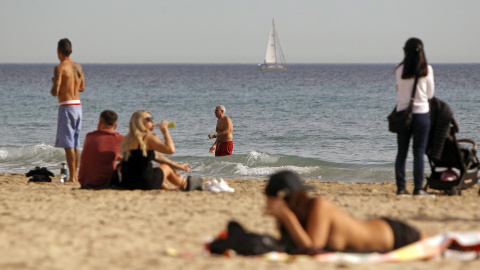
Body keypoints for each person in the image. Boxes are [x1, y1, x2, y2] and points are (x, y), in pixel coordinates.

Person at [265, 170, 425, 254]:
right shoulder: (297, 217)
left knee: (443, 242)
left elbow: (312, 248)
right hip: (380, 231)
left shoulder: (319, 205)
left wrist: (286, 216)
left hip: (391, 234)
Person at [118, 110, 202, 190]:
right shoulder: (148, 137)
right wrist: (165, 132)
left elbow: (156, 156)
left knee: (158, 169)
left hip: (127, 183)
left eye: (152, 118)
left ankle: (170, 189)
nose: (153, 121)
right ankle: (187, 184)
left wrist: (177, 165)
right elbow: (170, 150)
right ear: (140, 122)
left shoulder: (127, 139)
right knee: (166, 167)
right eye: (149, 119)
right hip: (145, 183)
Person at [394, 38, 434, 195]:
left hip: (403, 112)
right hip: (421, 113)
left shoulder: (400, 69)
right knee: (418, 151)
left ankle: (401, 188)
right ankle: (418, 188)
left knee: (401, 152)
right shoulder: (426, 70)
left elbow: (399, 89)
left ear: (405, 51)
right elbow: (430, 94)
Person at [50, 38, 85, 183]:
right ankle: (75, 175)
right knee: (75, 144)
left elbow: (54, 92)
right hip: (78, 106)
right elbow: (82, 88)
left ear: (58, 51)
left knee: (68, 145)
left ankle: (72, 177)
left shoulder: (59, 68)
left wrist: (53, 83)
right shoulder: (78, 67)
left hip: (66, 107)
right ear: (71, 51)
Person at [78, 110, 124, 189]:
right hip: (104, 182)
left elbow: (101, 155)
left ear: (100, 122)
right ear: (115, 126)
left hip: (84, 182)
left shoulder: (89, 136)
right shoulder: (118, 138)